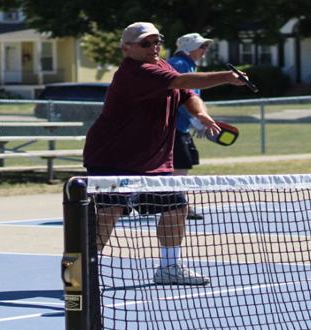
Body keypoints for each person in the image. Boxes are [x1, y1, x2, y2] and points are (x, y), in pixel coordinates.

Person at [83, 22, 246, 286]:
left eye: (157, 41)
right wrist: (227, 78)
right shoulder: (135, 72)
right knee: (109, 211)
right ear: (126, 49)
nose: (153, 47)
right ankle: (86, 270)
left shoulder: (162, 65)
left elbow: (186, 94)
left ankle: (169, 267)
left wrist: (201, 114)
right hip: (112, 157)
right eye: (145, 43)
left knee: (176, 208)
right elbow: (182, 81)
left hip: (153, 161)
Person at [167, 32, 221, 221]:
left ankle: (175, 203)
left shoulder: (188, 64)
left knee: (179, 165)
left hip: (180, 127)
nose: (205, 50)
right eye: (201, 46)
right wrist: (197, 121)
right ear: (189, 48)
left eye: (205, 46)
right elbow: (181, 96)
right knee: (179, 166)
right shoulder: (180, 64)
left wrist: (196, 121)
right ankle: (179, 205)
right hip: (171, 128)